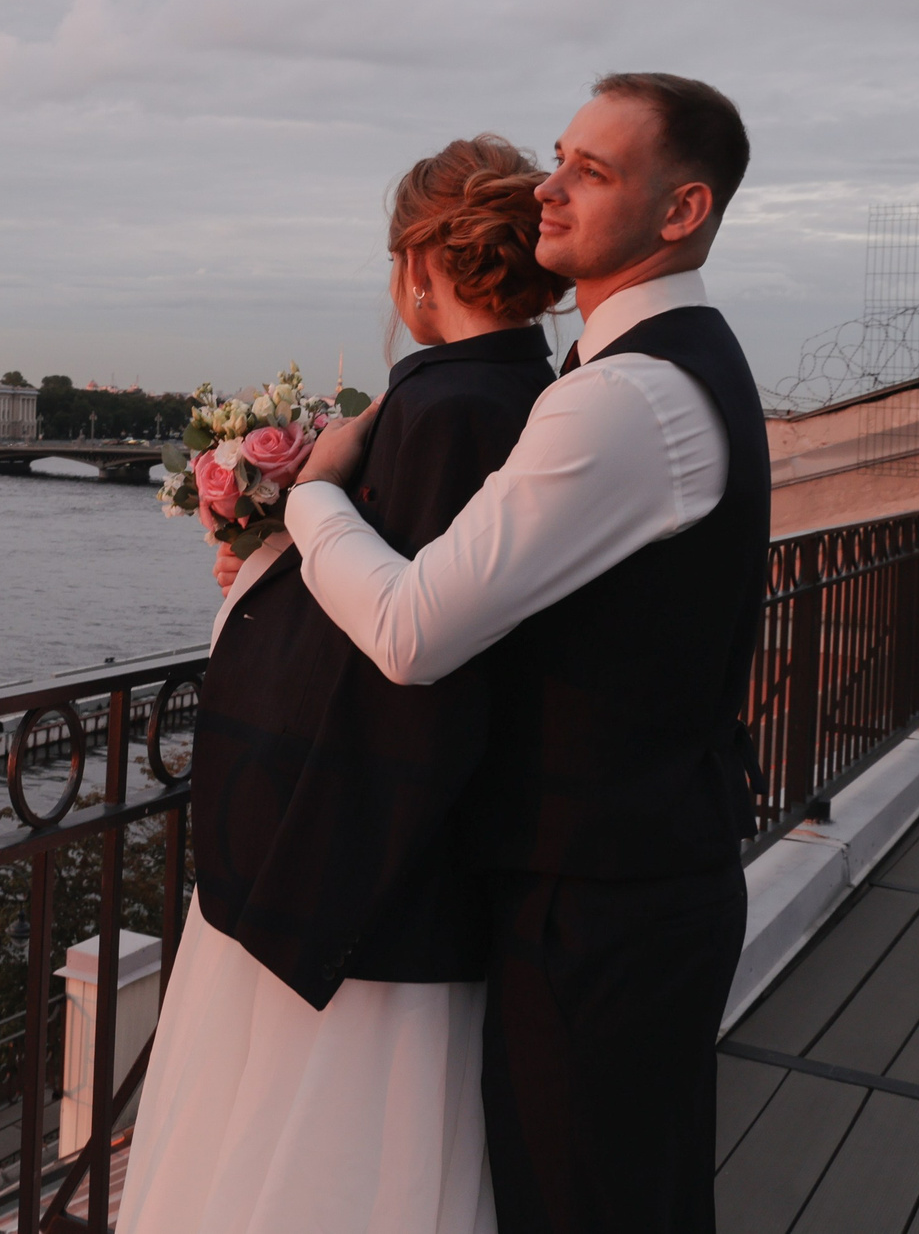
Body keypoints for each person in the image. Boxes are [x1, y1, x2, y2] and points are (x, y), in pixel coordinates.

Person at [285, 74, 765, 1234]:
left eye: (592, 171)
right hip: (634, 879)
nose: (548, 187)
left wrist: (309, 500)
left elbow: (410, 632)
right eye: (559, 156)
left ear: (681, 210)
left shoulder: (624, 402)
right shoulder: (662, 369)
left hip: (596, 904)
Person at [119, 136, 565, 1234]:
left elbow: (393, 645)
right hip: (443, 854)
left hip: (359, 870)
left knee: (295, 1152)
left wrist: (275, 549)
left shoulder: (440, 410)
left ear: (419, 263)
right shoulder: (527, 399)